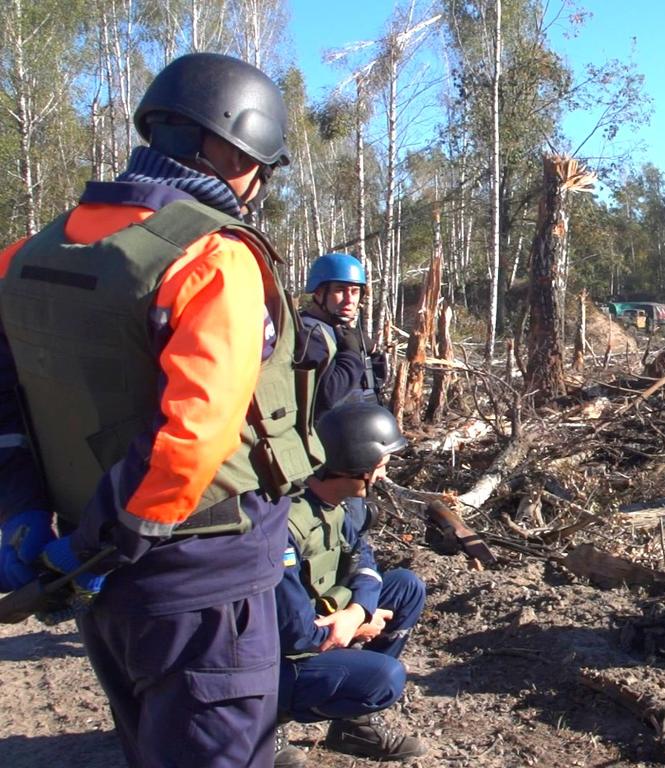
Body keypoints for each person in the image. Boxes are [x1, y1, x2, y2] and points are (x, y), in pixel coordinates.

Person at [0, 53, 320, 767]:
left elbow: (10, 401)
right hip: (201, 583)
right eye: (260, 168)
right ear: (233, 151)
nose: (256, 186)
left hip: (102, 581)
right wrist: (93, 551)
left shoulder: (25, 254)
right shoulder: (211, 259)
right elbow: (193, 437)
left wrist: (25, 515)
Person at [274, 402, 426, 766]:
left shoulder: (335, 505)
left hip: (325, 619)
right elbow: (293, 633)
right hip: (279, 653)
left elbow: (365, 561)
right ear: (357, 462)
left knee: (406, 587)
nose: (384, 473)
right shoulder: (288, 526)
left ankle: (352, 726)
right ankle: (266, 726)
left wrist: (358, 610)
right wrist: (354, 626)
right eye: (381, 463)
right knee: (385, 678)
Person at [299, 252, 388, 415]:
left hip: (361, 429)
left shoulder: (342, 330)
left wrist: (374, 353)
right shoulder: (307, 333)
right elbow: (328, 394)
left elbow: (372, 385)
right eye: (340, 290)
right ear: (318, 292)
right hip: (327, 436)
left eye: (354, 291)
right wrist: (351, 354)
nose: (349, 300)